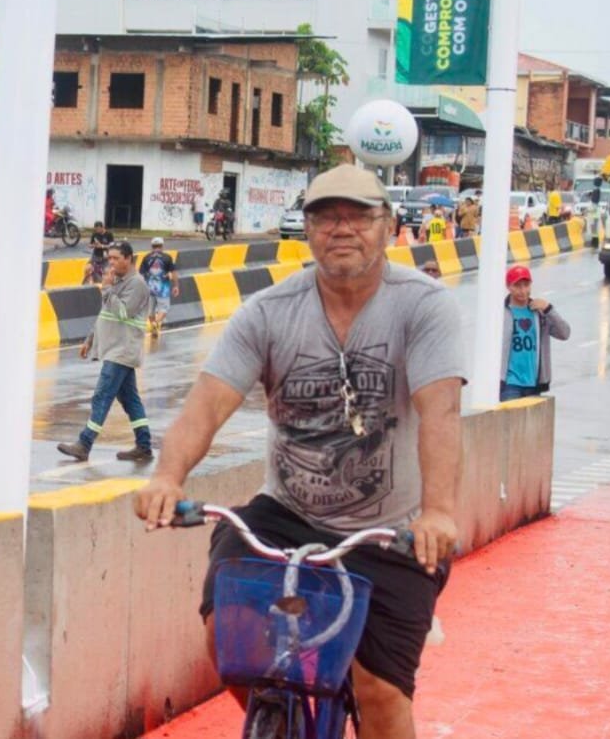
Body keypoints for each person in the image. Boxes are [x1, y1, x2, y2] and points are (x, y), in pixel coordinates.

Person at [134, 163, 465, 739]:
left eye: (360, 215)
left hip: (392, 531)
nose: (343, 228)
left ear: (387, 226)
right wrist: (167, 476)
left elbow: (441, 412)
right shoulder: (267, 313)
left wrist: (438, 512)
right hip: (285, 514)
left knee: (380, 693)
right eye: (326, 216)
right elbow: (208, 403)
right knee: (228, 643)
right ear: (306, 230)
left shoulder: (423, 306)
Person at [59, 241, 155, 463]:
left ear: (129, 258)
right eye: (109, 258)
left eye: (115, 258)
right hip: (113, 348)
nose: (110, 262)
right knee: (130, 400)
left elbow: (122, 313)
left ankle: (84, 443)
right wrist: (89, 340)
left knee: (102, 395)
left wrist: (108, 289)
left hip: (122, 350)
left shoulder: (137, 284)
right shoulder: (117, 282)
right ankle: (144, 445)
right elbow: (105, 315)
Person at [500, 265, 571, 401]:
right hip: (510, 383)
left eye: (526, 285)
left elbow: (565, 333)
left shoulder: (539, 313)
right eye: (517, 286)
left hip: (533, 382)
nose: (523, 290)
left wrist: (549, 309)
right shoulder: (502, 312)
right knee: (514, 421)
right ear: (509, 287)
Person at [139, 236, 180, 338]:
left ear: (152, 246)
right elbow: (174, 273)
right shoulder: (167, 257)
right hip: (163, 288)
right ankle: (156, 323)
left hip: (149, 288)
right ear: (162, 246)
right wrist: (176, 286)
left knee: (150, 311)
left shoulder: (146, 258)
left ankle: (154, 328)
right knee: (164, 309)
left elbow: (140, 274)